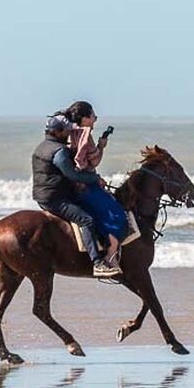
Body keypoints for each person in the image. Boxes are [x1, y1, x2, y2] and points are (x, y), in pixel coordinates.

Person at [31, 114, 120, 277]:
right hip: (55, 199)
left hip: (43, 195)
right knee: (86, 219)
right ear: (57, 132)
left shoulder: (41, 147)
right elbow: (73, 175)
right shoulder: (59, 151)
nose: (68, 134)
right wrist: (95, 178)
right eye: (66, 131)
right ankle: (97, 263)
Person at [63, 101, 128, 273]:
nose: (95, 119)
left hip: (72, 185)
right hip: (85, 186)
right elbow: (94, 160)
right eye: (93, 116)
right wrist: (101, 146)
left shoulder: (68, 133)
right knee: (117, 214)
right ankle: (111, 253)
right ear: (84, 118)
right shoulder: (85, 136)